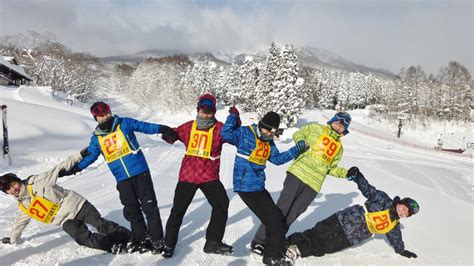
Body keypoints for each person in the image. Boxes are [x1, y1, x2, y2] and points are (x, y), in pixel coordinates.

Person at [66, 101, 177, 254]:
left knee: (150, 208)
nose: (104, 117)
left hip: (140, 172)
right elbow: (91, 156)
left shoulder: (125, 123)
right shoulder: (97, 138)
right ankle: (143, 239)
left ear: (110, 111)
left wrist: (162, 128)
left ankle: (158, 241)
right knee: (132, 211)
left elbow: (145, 126)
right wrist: (75, 168)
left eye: (105, 113)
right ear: (95, 118)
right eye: (99, 116)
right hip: (122, 179)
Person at [251, 111, 357, 255]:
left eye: (343, 126)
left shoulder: (339, 148)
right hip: (298, 173)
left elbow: (331, 168)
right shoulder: (316, 128)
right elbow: (298, 134)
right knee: (282, 208)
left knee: (293, 214)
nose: (339, 126)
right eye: (338, 122)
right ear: (332, 120)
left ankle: (275, 241)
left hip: (314, 184)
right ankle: (260, 240)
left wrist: (345, 173)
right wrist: (301, 143)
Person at [220, 107, 309, 265]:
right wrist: (233, 116)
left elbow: (277, 159)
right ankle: (271, 257)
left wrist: (296, 150)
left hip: (258, 186)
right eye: (267, 131)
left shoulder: (268, 142)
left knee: (274, 218)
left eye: (272, 133)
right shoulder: (246, 133)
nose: (269, 135)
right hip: (245, 186)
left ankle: (263, 246)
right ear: (261, 125)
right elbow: (225, 134)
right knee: (274, 219)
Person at [0, 151, 132, 254]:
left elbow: (59, 168)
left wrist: (80, 155)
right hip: (65, 220)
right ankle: (112, 245)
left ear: (17, 180)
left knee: (101, 225)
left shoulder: (36, 182)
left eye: (13, 184)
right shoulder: (23, 206)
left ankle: (131, 239)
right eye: (8, 189)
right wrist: (12, 239)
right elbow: (20, 223)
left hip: (77, 205)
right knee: (83, 239)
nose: (13, 189)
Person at [285, 169, 419, 261]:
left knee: (325, 247)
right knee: (318, 232)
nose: (403, 212)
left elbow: (396, 238)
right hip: (344, 219)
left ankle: (297, 251)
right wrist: (358, 176)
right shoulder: (383, 199)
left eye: (406, 213)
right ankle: (288, 242)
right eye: (404, 208)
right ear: (400, 202)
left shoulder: (394, 226)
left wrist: (401, 250)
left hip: (352, 237)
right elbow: (368, 189)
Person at [159, 94, 232, 258]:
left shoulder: (220, 129)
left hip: (209, 177)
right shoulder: (188, 127)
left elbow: (234, 134)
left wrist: (235, 118)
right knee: (178, 210)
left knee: (221, 205)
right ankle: (169, 244)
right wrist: (167, 134)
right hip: (188, 176)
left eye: (209, 112)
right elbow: (174, 134)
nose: (205, 115)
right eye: (203, 111)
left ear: (214, 112)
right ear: (197, 110)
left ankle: (213, 242)